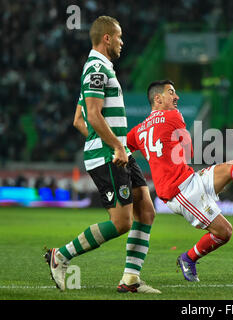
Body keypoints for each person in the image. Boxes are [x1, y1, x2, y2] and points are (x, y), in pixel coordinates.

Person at [127, 80, 233, 282]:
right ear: (158, 98)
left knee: (231, 167)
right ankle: (188, 259)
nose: (176, 97)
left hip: (187, 179)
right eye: (171, 92)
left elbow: (122, 149)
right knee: (224, 232)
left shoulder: (137, 131)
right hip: (180, 192)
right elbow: (188, 151)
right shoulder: (173, 115)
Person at [44, 16, 160, 294]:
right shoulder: (96, 67)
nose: (122, 42)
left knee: (146, 209)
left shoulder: (101, 68)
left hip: (119, 153)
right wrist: (114, 146)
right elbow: (93, 115)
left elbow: (78, 119)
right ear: (107, 38)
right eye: (119, 37)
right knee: (122, 222)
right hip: (111, 156)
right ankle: (60, 256)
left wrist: (114, 144)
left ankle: (131, 279)